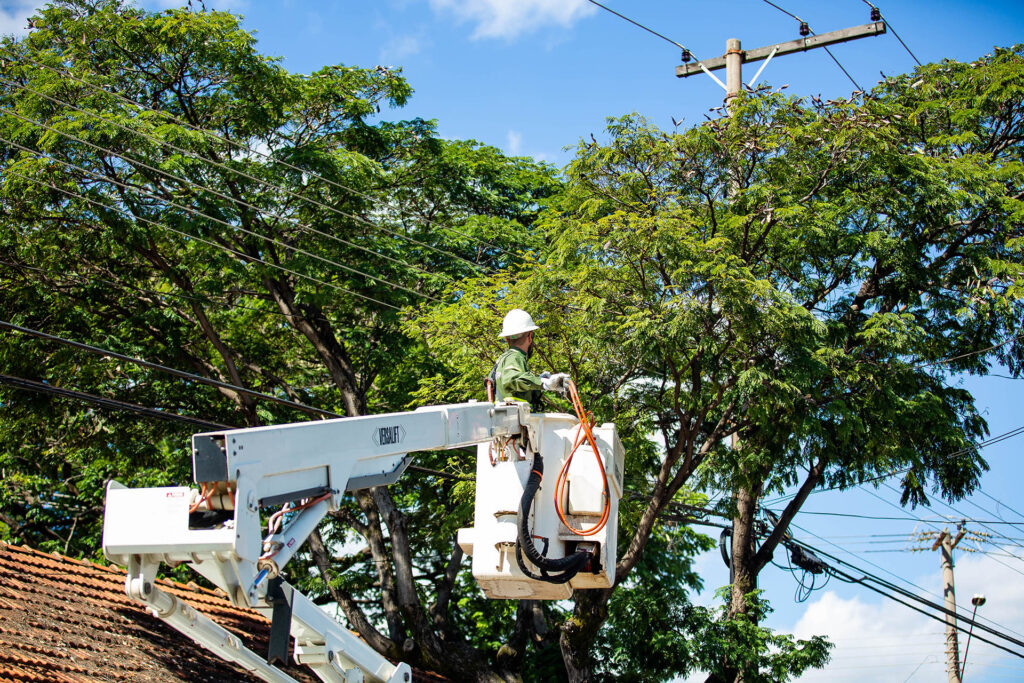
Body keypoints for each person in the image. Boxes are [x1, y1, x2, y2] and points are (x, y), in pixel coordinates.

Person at [490, 309, 569, 409]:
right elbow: (511, 379)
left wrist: (539, 380)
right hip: (516, 421)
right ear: (530, 336)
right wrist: (544, 383)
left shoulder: (503, 359)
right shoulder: (515, 357)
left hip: (510, 419)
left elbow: (515, 389)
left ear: (506, 339)